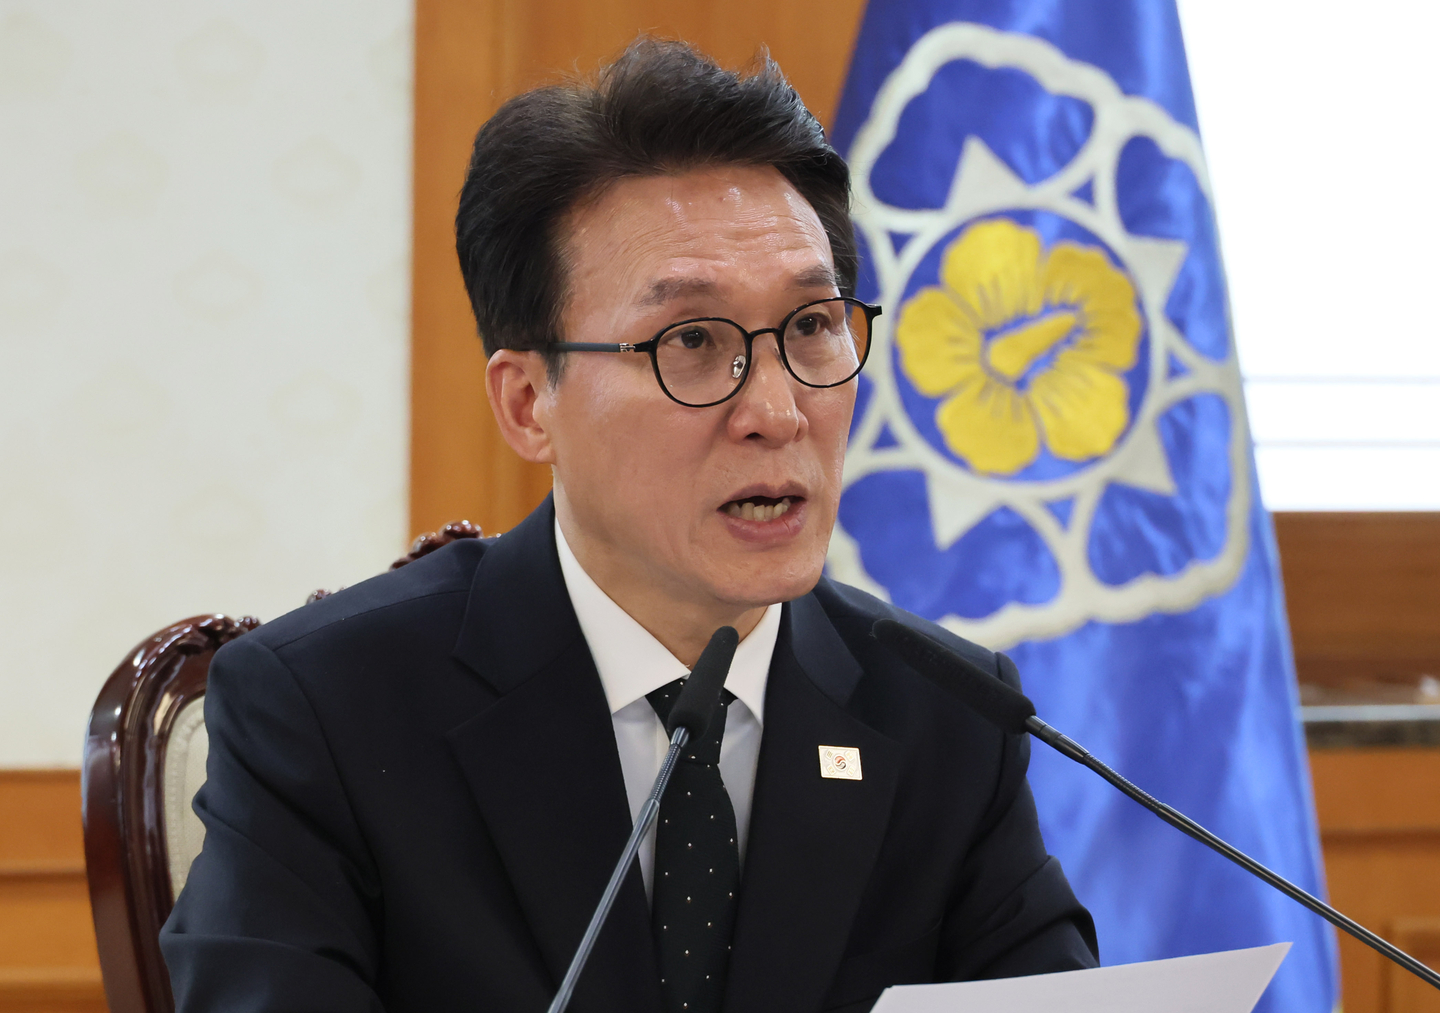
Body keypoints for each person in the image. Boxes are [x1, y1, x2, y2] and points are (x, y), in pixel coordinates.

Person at [160, 38, 1097, 1013]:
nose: (776, 408)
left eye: (813, 326)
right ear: (529, 402)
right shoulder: (329, 708)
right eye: (694, 341)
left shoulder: (945, 716)